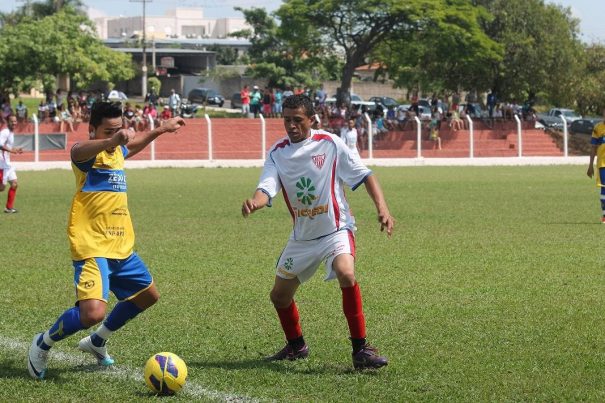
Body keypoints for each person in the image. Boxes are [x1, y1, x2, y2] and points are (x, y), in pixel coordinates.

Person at [27, 102, 185, 380]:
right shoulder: (87, 156)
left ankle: (97, 341)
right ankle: (42, 344)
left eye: (119, 128)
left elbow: (132, 145)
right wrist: (111, 140)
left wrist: (161, 129)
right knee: (92, 313)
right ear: (93, 130)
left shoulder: (117, 153)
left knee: (148, 296)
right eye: (109, 130)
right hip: (92, 245)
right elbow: (76, 150)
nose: (118, 135)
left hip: (121, 245)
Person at [241, 94, 394, 370]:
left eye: (297, 120)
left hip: (336, 229)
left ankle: (361, 349)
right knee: (279, 296)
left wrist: (382, 208)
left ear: (312, 119)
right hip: (303, 238)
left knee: (346, 273)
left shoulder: (330, 144)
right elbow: (266, 187)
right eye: (286, 120)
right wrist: (256, 202)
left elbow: (365, 175)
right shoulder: (277, 152)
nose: (291, 125)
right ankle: (296, 346)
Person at [0, 115, 23, 213]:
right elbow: (0, 145)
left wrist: (15, 150)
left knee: (14, 184)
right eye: (12, 121)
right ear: (8, 122)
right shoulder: (4, 132)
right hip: (1, 163)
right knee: (1, 188)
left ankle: (8, 208)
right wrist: (12, 151)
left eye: (15, 121)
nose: (14, 123)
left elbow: (7, 148)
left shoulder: (11, 133)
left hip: (8, 164)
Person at [587, 108, 605, 223]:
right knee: (604, 188)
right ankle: (604, 215)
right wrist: (590, 165)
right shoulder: (598, 128)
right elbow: (593, 147)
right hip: (603, 163)